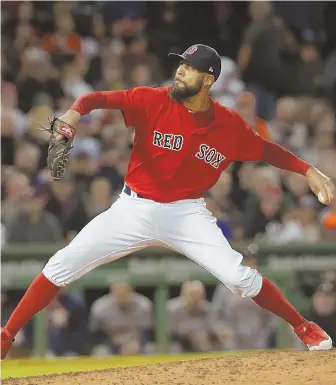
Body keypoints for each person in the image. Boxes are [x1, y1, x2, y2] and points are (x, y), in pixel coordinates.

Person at [1, 44, 335, 358]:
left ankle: (305, 327)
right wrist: (74, 114)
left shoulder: (228, 125)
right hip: (133, 208)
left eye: (189, 68)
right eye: (181, 64)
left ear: (208, 80)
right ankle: (5, 336)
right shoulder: (152, 99)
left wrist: (307, 170)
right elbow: (96, 97)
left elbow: (266, 150)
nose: (180, 71)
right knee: (60, 265)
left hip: (186, 213)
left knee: (239, 278)